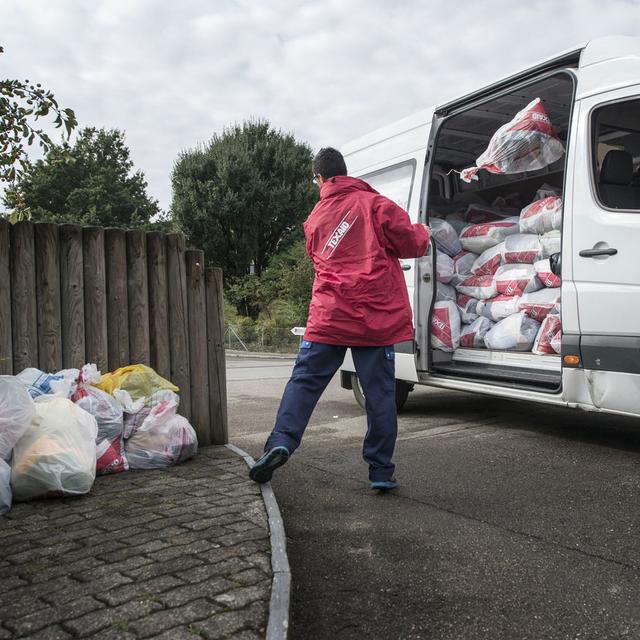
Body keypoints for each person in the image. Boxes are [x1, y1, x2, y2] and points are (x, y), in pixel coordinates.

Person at [249, 147, 430, 490]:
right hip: (372, 319)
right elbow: (410, 243)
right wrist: (426, 233)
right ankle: (380, 472)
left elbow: (320, 259)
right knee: (379, 394)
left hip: (329, 315)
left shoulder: (314, 218)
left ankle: (280, 443)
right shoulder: (376, 205)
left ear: (319, 178)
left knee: (304, 382)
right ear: (344, 173)